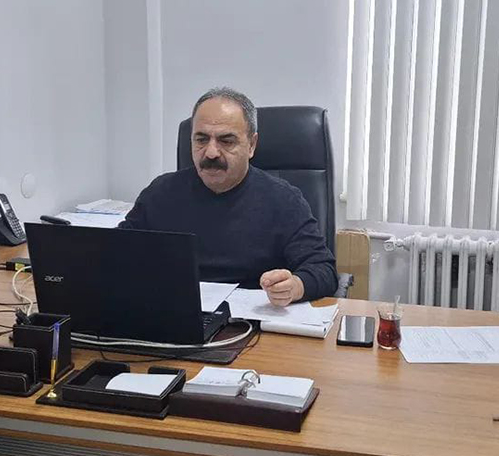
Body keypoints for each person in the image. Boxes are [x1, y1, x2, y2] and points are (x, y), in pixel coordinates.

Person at [119, 87, 337, 306]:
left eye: (226, 141)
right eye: (201, 140)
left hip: (251, 319)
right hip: (177, 313)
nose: (211, 152)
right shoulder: (161, 194)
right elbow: (118, 253)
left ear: (251, 145)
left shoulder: (283, 200)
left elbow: (324, 270)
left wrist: (294, 286)